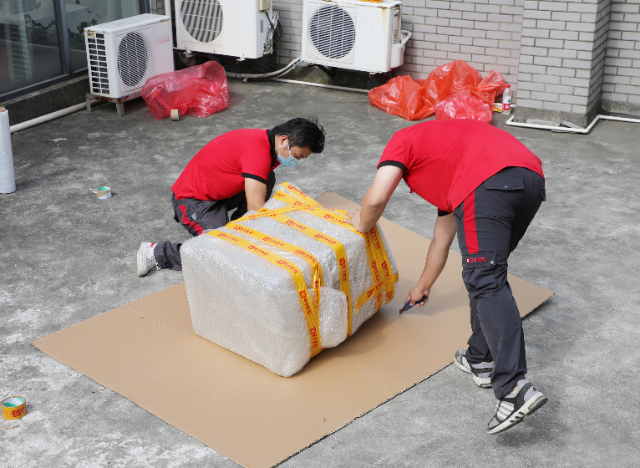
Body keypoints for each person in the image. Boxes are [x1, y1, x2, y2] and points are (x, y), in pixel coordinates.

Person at [346, 119, 548, 435]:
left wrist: (360, 224)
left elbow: (375, 198)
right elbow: (440, 243)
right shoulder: (452, 171)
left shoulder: (404, 139)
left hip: (488, 181)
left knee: (485, 278)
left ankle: (514, 388)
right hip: (529, 180)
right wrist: (422, 287)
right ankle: (480, 358)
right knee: (487, 273)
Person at [137, 117, 325, 276]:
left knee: (267, 178)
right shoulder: (257, 152)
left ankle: (238, 232)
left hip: (219, 193)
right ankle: (157, 252)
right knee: (219, 252)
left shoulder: (267, 143)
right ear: (284, 140)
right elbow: (256, 209)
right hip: (192, 200)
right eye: (297, 156)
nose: (295, 161)